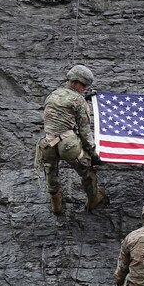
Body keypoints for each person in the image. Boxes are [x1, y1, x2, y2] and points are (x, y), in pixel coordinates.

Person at [36, 65, 107, 214]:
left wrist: (82, 99)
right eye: (84, 85)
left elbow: (61, 109)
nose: (85, 89)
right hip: (68, 145)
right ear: (75, 82)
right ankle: (93, 197)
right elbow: (85, 131)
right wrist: (94, 155)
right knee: (87, 171)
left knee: (51, 173)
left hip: (47, 143)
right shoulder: (79, 101)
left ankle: (56, 205)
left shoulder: (53, 95)